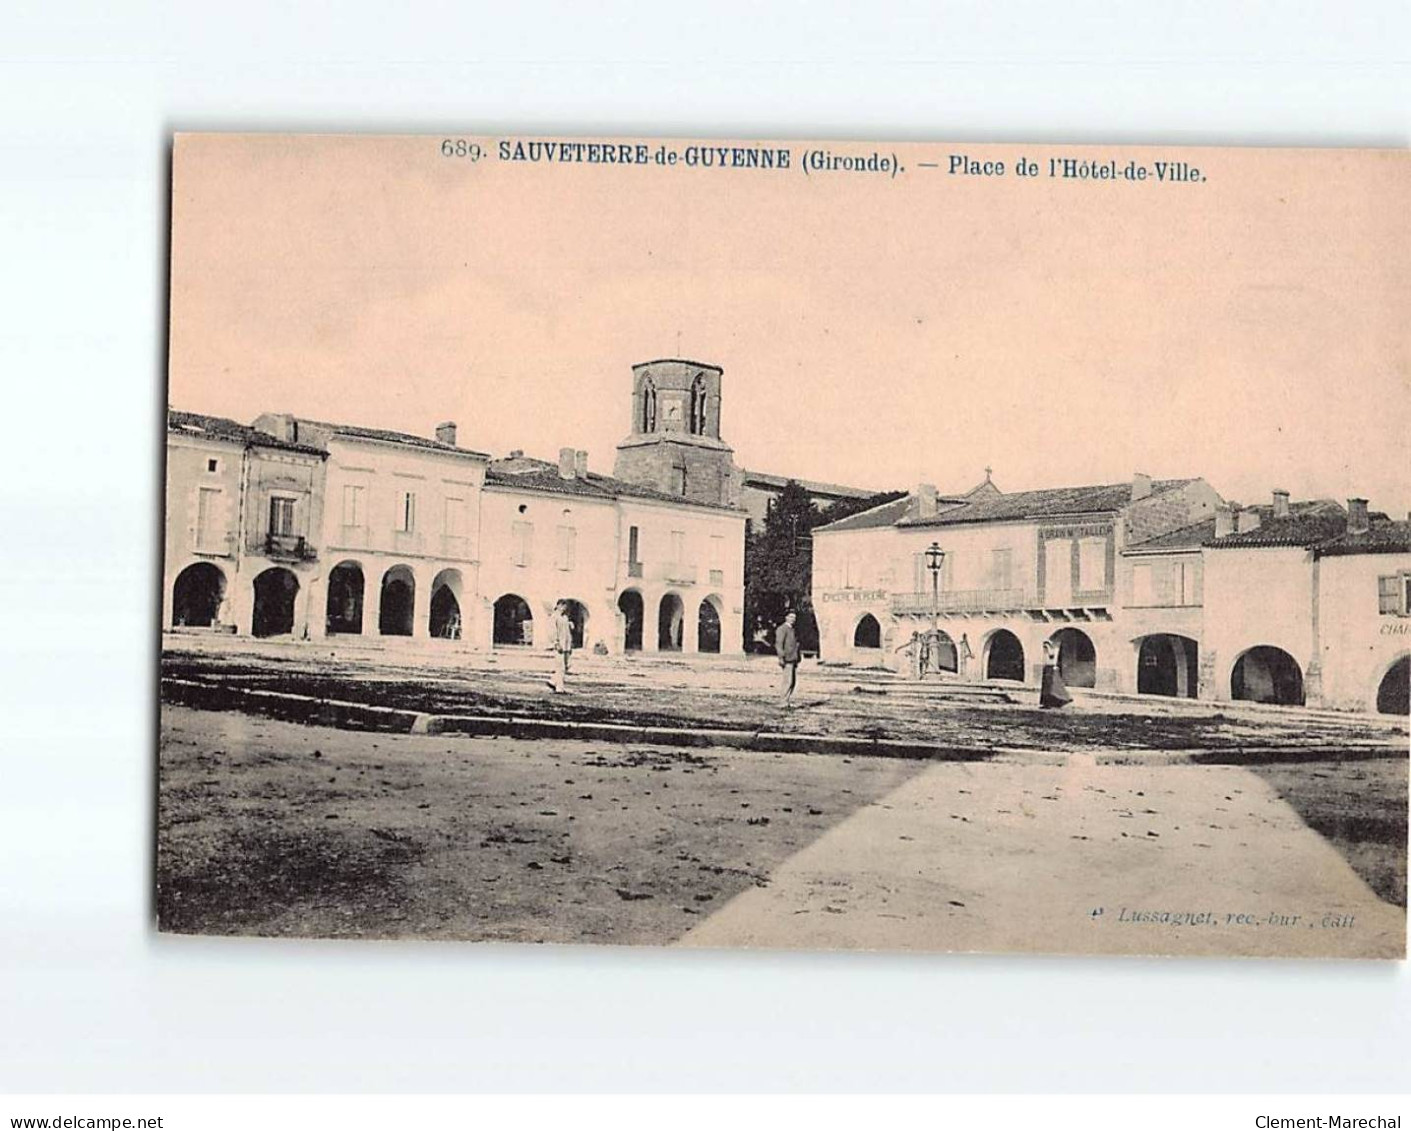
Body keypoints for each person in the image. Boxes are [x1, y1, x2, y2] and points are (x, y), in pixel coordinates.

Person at [775, 610, 801, 707]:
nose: (792, 619)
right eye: (790, 617)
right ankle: (783, 702)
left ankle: (787, 700)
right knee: (787, 681)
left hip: (793, 659)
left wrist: (798, 657)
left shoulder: (792, 629)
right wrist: (781, 657)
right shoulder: (782, 629)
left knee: (793, 682)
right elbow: (779, 644)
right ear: (786, 617)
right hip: (787, 659)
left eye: (794, 618)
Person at [549, 601, 574, 693]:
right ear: (558, 606)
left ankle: (553, 681)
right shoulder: (554, 617)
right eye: (562, 606)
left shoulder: (565, 617)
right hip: (559, 645)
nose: (564, 608)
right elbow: (552, 631)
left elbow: (567, 633)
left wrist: (570, 644)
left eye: (565, 606)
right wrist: (556, 643)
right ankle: (559, 688)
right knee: (560, 667)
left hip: (566, 645)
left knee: (567, 666)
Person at [1040, 637, 1072, 709]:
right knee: (1047, 687)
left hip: (1049, 667)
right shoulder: (1049, 648)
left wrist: (1048, 648)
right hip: (1047, 667)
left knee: (1049, 687)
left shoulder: (1050, 648)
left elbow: (1051, 655)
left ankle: (1049, 703)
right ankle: (1048, 703)